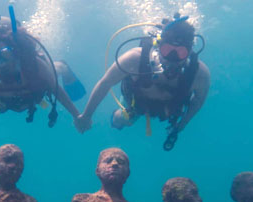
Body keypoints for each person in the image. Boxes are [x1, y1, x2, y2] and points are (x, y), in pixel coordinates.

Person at [74, 13, 210, 150]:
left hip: (168, 109)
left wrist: (181, 125)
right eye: (167, 50)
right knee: (124, 120)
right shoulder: (135, 58)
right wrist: (87, 115)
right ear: (159, 44)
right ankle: (117, 120)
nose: (172, 58)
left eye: (180, 52)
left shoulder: (199, 74)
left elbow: (198, 100)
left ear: (190, 51)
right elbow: (105, 83)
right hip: (135, 104)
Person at [0, 11, 84, 127]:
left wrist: (77, 116)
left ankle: (63, 66)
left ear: (14, 52)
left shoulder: (35, 65)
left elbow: (55, 89)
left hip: (38, 79)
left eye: (5, 53)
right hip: (28, 94)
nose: (1, 63)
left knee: (54, 70)